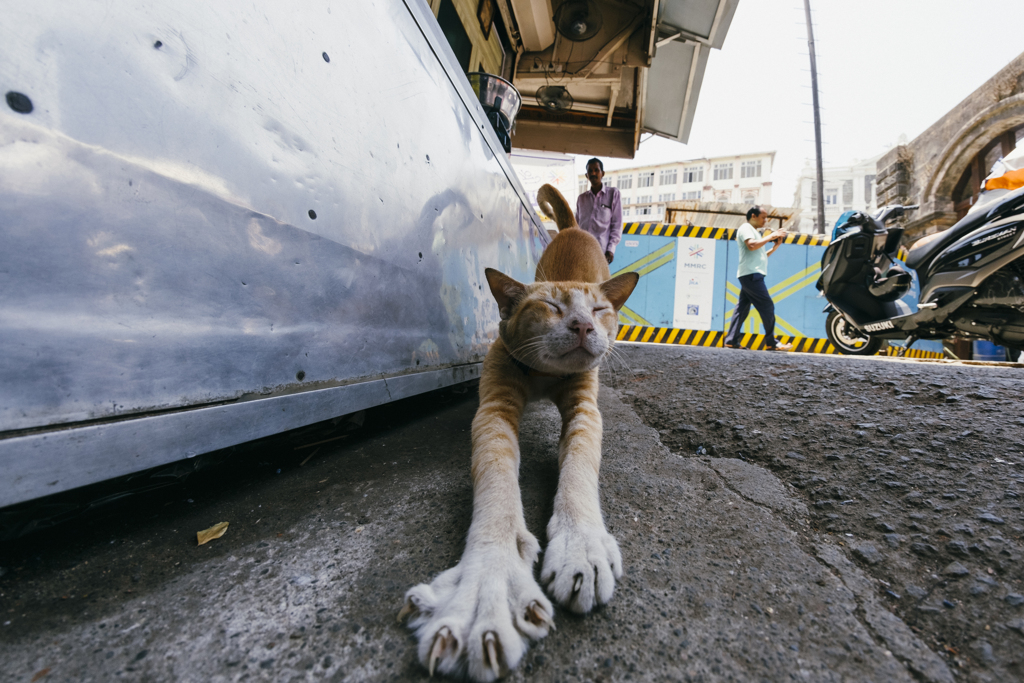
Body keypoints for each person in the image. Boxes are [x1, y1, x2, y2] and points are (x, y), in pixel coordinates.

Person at [723, 206, 793, 351]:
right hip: (751, 275)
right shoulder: (746, 227)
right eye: (763, 217)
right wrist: (771, 236)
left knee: (741, 309)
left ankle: (731, 340)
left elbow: (760, 255)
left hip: (750, 274)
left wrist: (775, 247)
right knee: (767, 306)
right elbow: (751, 246)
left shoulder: (755, 232)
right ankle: (771, 342)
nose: (765, 221)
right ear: (753, 216)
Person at [576, 157, 622, 264]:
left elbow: (617, 224)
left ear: (602, 173)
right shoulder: (581, 199)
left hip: (601, 254)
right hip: (582, 253)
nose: (593, 173)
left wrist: (611, 249)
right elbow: (576, 226)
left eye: (596, 170)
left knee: (599, 281)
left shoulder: (613, 194)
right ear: (587, 176)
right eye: (590, 171)